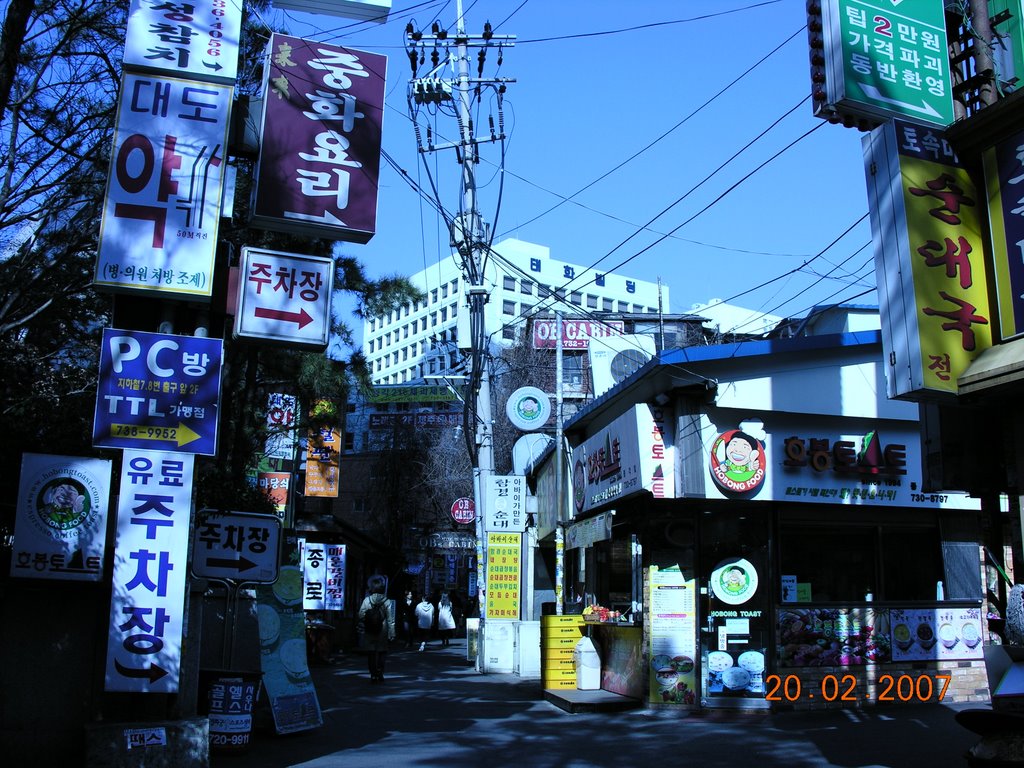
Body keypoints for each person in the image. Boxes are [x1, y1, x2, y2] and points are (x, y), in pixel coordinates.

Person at [357, 575, 394, 682]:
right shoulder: (386, 601)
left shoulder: (367, 600)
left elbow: (360, 615)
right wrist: (392, 632)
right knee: (382, 651)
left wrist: (368, 619)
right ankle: (380, 672)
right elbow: (390, 619)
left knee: (371, 652)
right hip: (383, 629)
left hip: (370, 628)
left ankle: (373, 674)